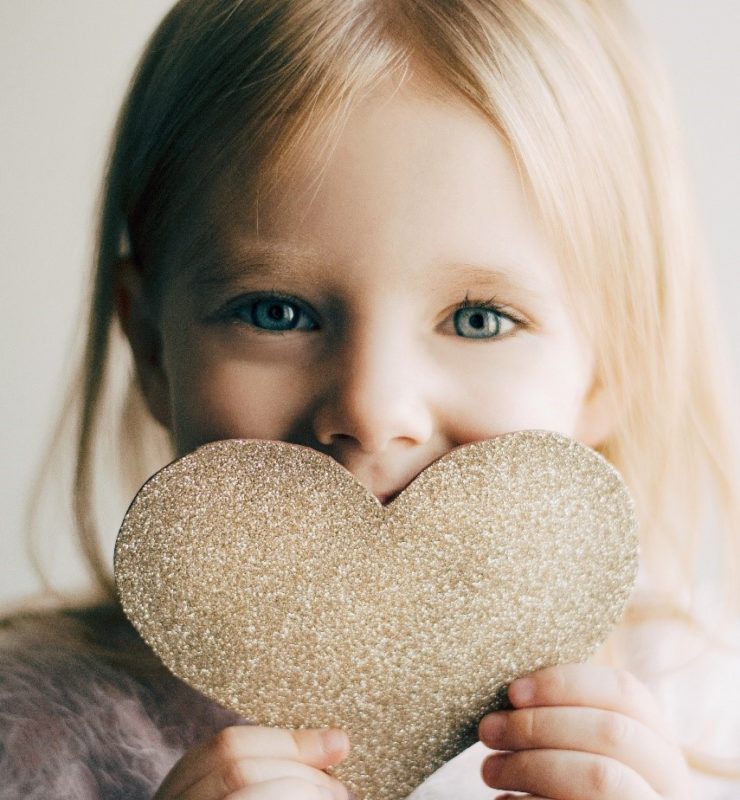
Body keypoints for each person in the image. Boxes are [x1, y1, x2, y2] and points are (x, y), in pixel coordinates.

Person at [1, 1, 739, 798]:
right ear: (150, 346)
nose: (372, 410)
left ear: (611, 367)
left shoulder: (703, 716)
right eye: (276, 311)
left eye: (478, 320)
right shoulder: (39, 739)